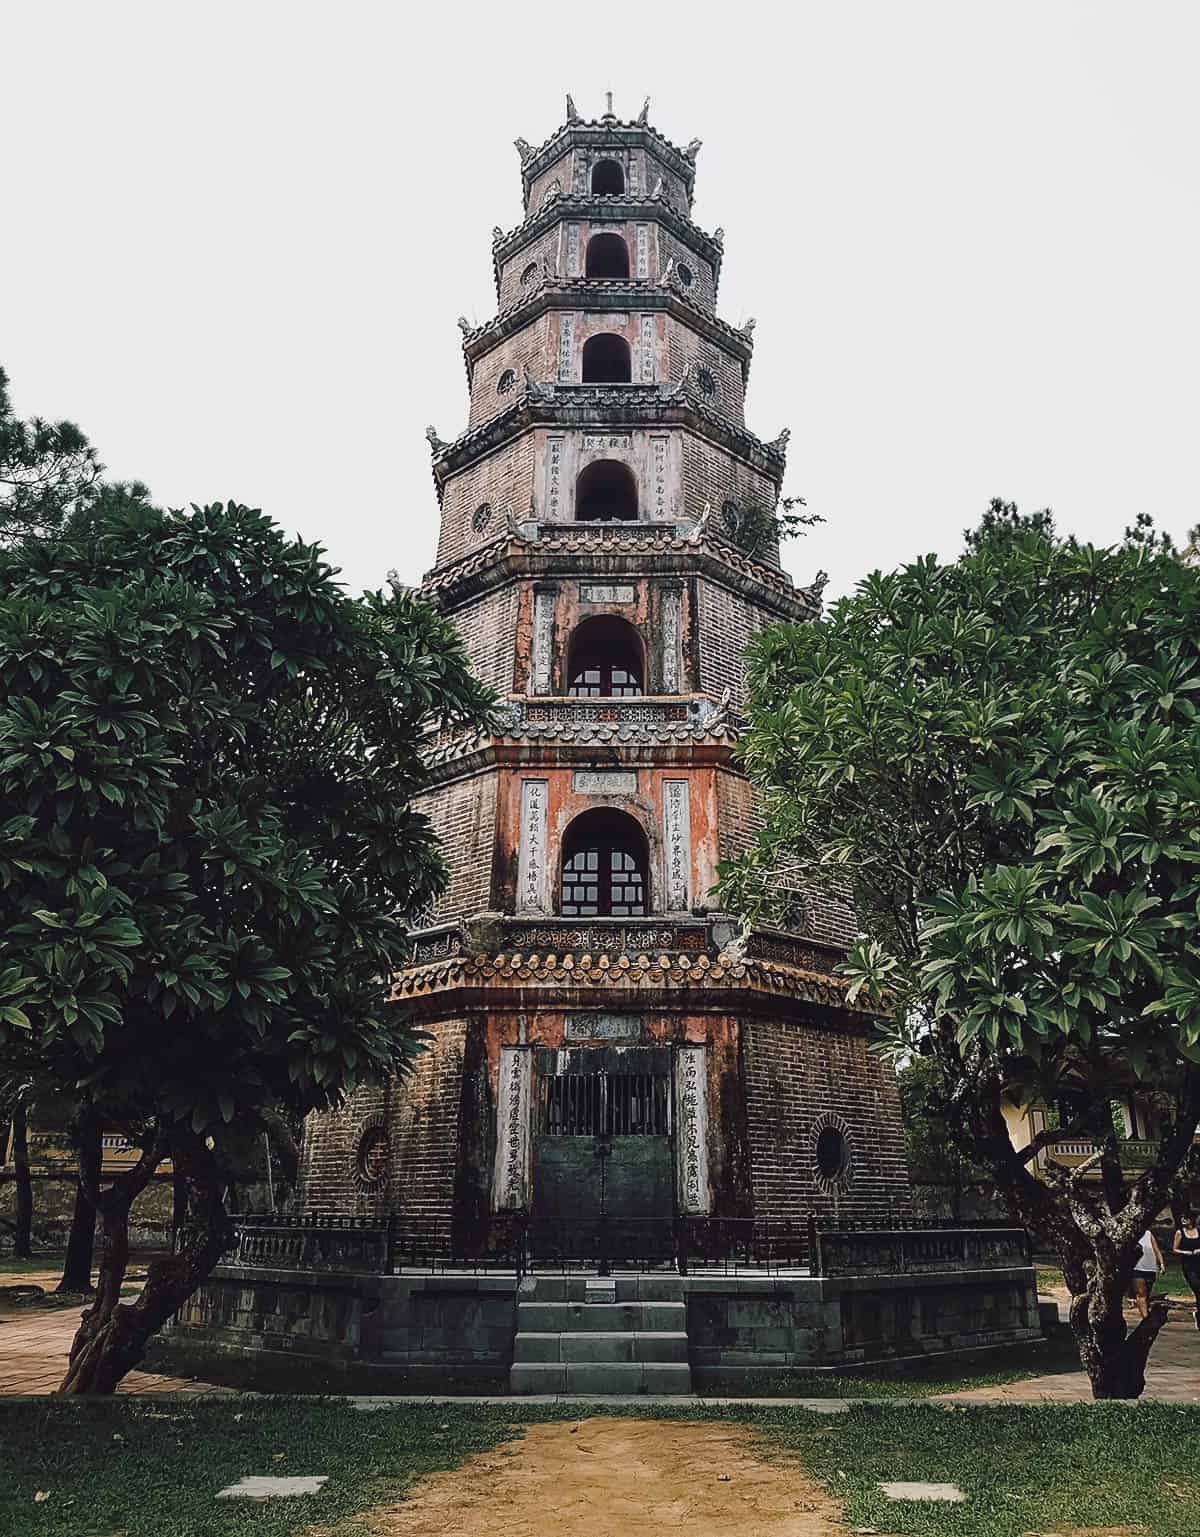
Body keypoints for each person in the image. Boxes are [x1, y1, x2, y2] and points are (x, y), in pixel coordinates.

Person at [1171, 1209, 1200, 1330]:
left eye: (1185, 1218)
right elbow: (1174, 1249)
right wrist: (1186, 1252)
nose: (1183, 1220)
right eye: (1182, 1217)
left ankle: (1198, 1314)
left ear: (1191, 1220)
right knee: (1197, 1288)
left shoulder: (1198, 1230)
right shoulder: (1179, 1233)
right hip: (1188, 1265)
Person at [1131, 1227, 1165, 1318]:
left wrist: (1161, 1263)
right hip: (1137, 1267)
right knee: (1141, 1293)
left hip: (1150, 1267)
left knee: (1147, 1294)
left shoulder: (1148, 1233)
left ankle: (1145, 1314)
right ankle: (1145, 1318)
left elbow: (1156, 1249)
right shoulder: (1131, 1234)